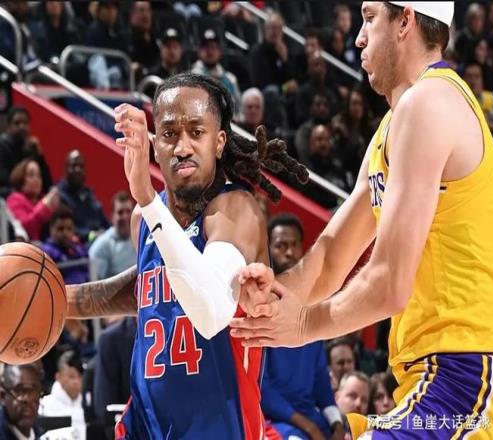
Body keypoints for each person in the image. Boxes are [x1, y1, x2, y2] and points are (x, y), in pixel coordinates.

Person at [231, 2, 493, 438]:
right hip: (433, 379)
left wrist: (301, 324)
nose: (358, 37)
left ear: (405, 21)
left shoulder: (430, 103)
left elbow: (389, 282)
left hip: (467, 378)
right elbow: (331, 259)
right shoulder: (393, 126)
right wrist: (270, 298)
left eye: (370, 18)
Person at [61, 72, 307, 439]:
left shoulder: (236, 210)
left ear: (219, 142)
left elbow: (209, 309)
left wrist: (147, 198)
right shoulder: (144, 219)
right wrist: (47, 300)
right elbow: (140, 292)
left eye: (196, 131)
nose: (182, 147)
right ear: (155, 144)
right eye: (169, 134)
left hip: (221, 429)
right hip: (145, 425)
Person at [262, 214, 343, 439]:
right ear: (268, 249)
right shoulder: (260, 307)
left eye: (294, 245)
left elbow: (320, 381)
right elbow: (262, 389)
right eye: (281, 245)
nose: (289, 252)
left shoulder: (311, 307)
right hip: (274, 419)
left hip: (309, 417)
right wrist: (308, 427)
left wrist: (337, 423)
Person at [57, 150, 110, 242]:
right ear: (66, 169)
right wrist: (91, 235)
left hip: (101, 240)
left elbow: (105, 221)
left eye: (81, 166)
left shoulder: (89, 194)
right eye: (74, 166)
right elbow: (66, 227)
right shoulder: (60, 195)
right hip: (79, 244)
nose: (77, 170)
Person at [0, 106, 53, 198]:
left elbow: (47, 185)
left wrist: (39, 155)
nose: (22, 127)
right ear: (9, 126)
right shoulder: (2, 146)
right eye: (17, 123)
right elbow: (6, 181)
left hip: (30, 198)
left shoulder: (31, 148)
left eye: (25, 123)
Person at [6, 159, 59, 241]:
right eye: (31, 175)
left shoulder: (44, 198)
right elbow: (24, 229)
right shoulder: (14, 199)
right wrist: (44, 206)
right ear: (20, 178)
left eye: (39, 176)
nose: (36, 179)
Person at [39, 351, 86, 440]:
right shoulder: (44, 406)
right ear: (58, 377)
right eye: (71, 376)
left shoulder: (89, 405)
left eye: (80, 376)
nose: (76, 381)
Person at [89, 191, 135, 280]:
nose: (125, 217)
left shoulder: (141, 240)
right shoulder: (99, 247)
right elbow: (94, 283)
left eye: (128, 211)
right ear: (112, 216)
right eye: (120, 212)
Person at [41, 206, 89, 284]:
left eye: (69, 228)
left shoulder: (79, 250)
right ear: (51, 229)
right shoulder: (45, 254)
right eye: (60, 229)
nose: (65, 233)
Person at [0, 363, 45, 440]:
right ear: (2, 396)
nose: (28, 399)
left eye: (33, 391)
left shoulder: (45, 434)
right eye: (19, 391)